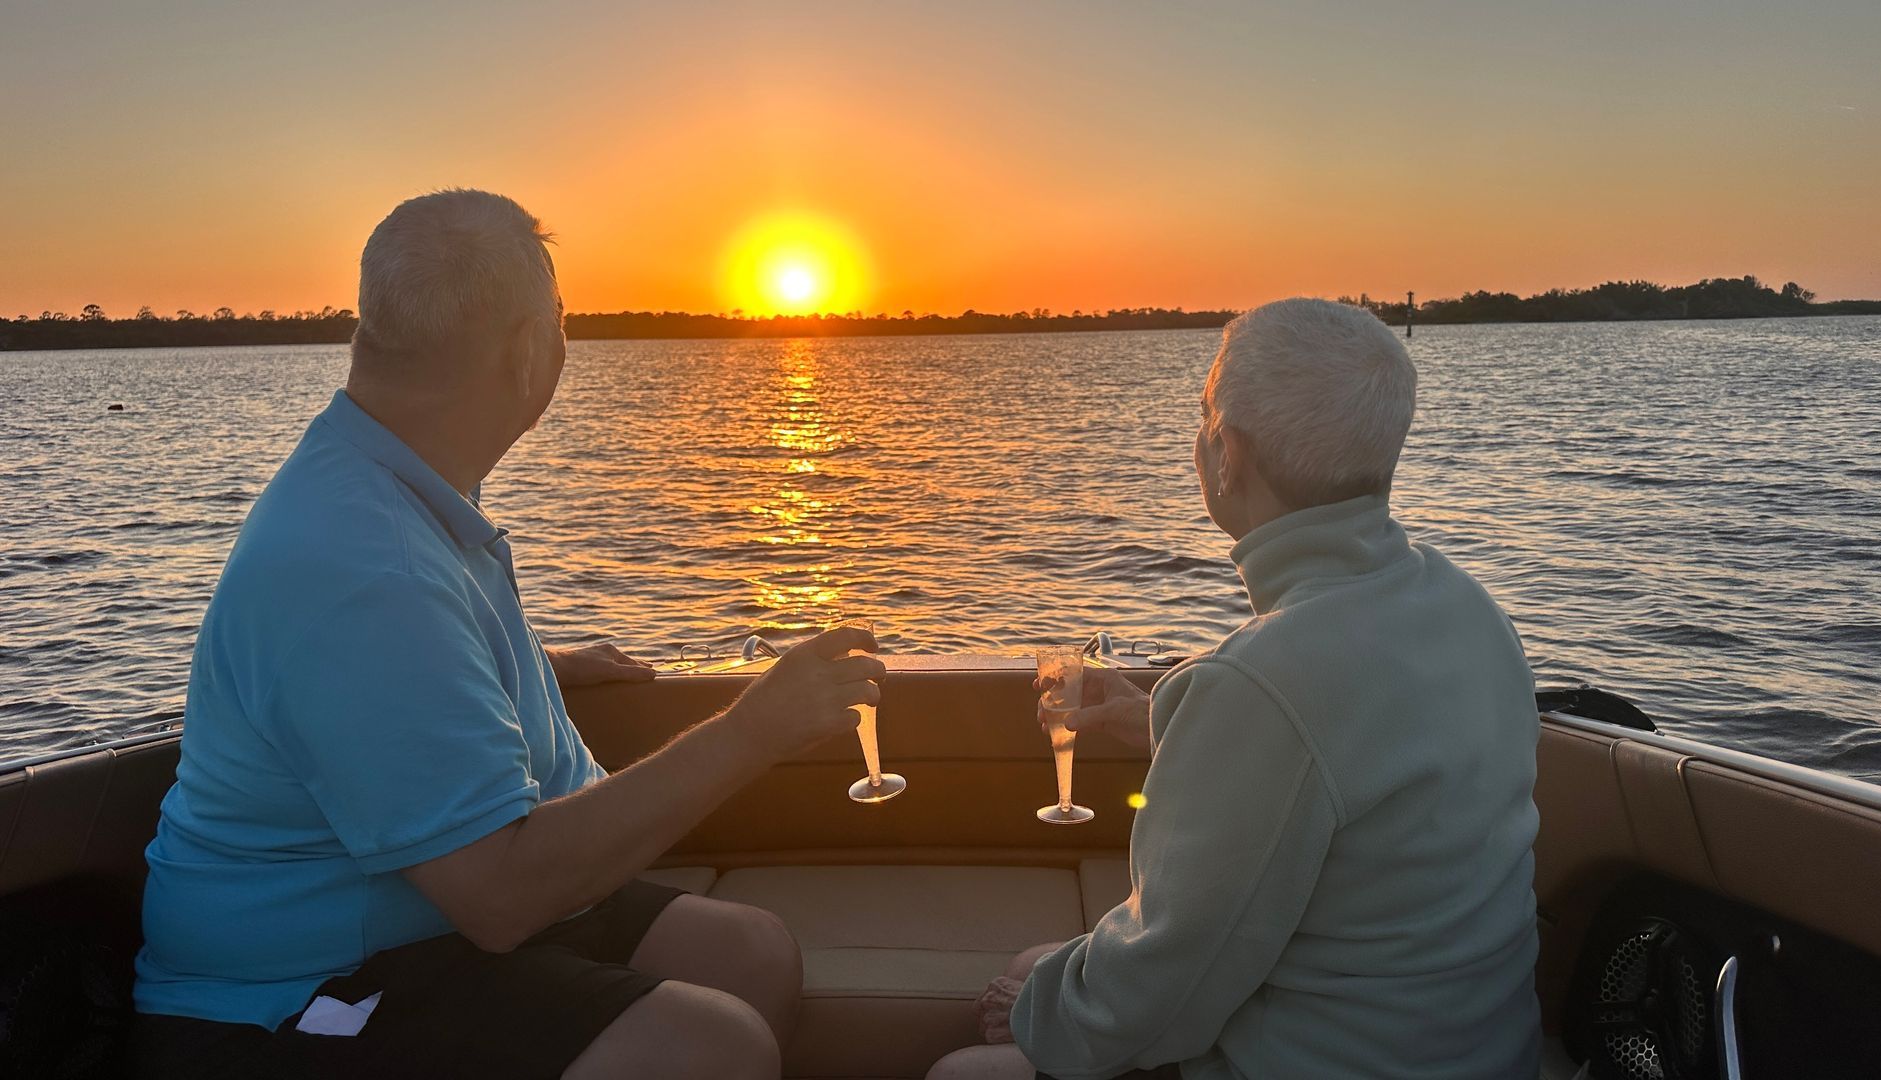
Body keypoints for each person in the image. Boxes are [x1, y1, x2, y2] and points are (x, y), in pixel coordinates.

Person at [131, 190, 884, 1080]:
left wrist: (542, 669)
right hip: (287, 999)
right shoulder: (364, 567)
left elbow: (394, 682)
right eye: (561, 322)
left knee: (750, 953)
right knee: (709, 1045)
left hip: (420, 918)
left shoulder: (390, 476)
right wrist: (755, 728)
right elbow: (500, 895)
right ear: (530, 351)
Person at [929, 299, 1541, 1079]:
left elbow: (1158, 996)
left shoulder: (1263, 683)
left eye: (1202, 415)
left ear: (1227, 454)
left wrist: (1030, 1014)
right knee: (1041, 963)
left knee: (961, 1069)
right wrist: (1160, 721)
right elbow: (1347, 770)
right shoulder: (1469, 609)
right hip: (1477, 1053)